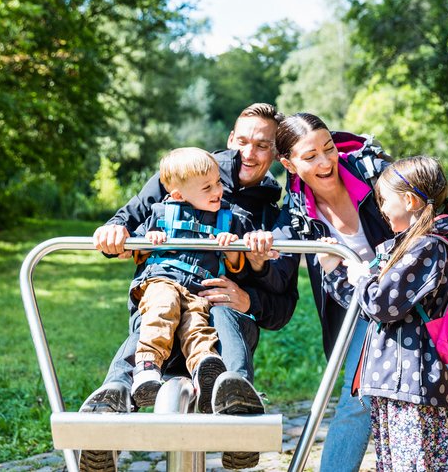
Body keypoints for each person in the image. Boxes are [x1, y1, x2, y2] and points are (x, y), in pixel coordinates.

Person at [80, 103, 298, 472]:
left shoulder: (271, 212)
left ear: (276, 151)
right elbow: (132, 216)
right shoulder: (189, 171)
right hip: (168, 297)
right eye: (242, 140)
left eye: (263, 145)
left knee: (223, 309)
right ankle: (107, 421)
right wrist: (117, 230)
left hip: (221, 320)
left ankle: (237, 412)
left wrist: (249, 292)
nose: (249, 152)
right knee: (160, 311)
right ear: (230, 139)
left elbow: (282, 303)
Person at [263, 112, 393, 472]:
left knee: (426, 399)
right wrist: (256, 257)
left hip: (415, 296)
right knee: (358, 400)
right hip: (362, 311)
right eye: (310, 156)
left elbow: (426, 212)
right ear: (289, 164)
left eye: (329, 148)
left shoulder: (372, 171)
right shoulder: (296, 215)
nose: (325, 161)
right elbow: (276, 268)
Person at [318, 156, 448, 471]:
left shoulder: (427, 248)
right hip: (394, 382)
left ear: (409, 200)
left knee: (414, 464)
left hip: (411, 386)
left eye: (384, 199)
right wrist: (334, 270)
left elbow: (382, 305)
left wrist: (362, 275)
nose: (381, 208)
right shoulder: (408, 248)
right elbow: (367, 307)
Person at [127, 148, 253, 412]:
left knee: (197, 325)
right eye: (207, 188)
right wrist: (149, 241)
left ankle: (204, 369)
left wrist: (230, 248)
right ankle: (147, 368)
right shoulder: (160, 214)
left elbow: (235, 265)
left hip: (198, 290)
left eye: (218, 182)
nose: (217, 191)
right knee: (162, 309)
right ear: (178, 195)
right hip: (162, 282)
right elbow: (134, 250)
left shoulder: (226, 219)